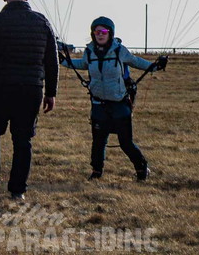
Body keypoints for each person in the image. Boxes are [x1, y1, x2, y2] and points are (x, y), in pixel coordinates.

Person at [0, 0, 58, 200]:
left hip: (1, 88)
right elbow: (51, 61)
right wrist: (51, 92)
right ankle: (18, 190)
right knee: (23, 139)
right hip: (31, 89)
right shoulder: (42, 22)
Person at [61, 17, 165, 181]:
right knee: (98, 141)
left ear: (110, 33)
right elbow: (82, 64)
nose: (100, 35)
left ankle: (141, 168)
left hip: (119, 103)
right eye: (96, 32)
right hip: (98, 103)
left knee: (125, 142)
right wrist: (64, 61)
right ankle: (96, 172)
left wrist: (156, 66)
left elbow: (136, 62)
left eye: (103, 32)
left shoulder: (119, 51)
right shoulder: (90, 52)